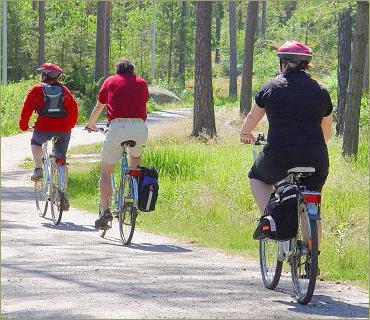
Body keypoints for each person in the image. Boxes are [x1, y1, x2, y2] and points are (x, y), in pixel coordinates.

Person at [240, 40, 333, 219]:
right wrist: (315, 145)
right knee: (313, 206)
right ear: (306, 64)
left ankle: (273, 217)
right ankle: (312, 244)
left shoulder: (271, 88)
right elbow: (327, 127)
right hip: (316, 158)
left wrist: (245, 133)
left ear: (283, 63)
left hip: (279, 156)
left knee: (256, 177)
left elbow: (252, 117)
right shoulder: (321, 91)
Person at [85, 59, 149, 229]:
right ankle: (133, 191)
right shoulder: (142, 82)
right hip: (140, 128)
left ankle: (106, 212)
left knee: (106, 171)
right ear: (132, 70)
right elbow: (144, 102)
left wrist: (91, 124)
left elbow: (100, 106)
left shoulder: (110, 81)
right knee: (135, 158)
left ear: (117, 70)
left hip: (118, 126)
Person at [19, 63, 78, 210]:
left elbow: (26, 110)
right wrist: (68, 126)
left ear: (43, 75)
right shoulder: (64, 90)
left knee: (36, 142)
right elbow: (74, 108)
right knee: (61, 158)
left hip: (43, 127)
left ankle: (38, 169)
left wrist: (24, 126)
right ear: (57, 76)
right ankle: (63, 192)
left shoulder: (36, 89)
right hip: (63, 129)